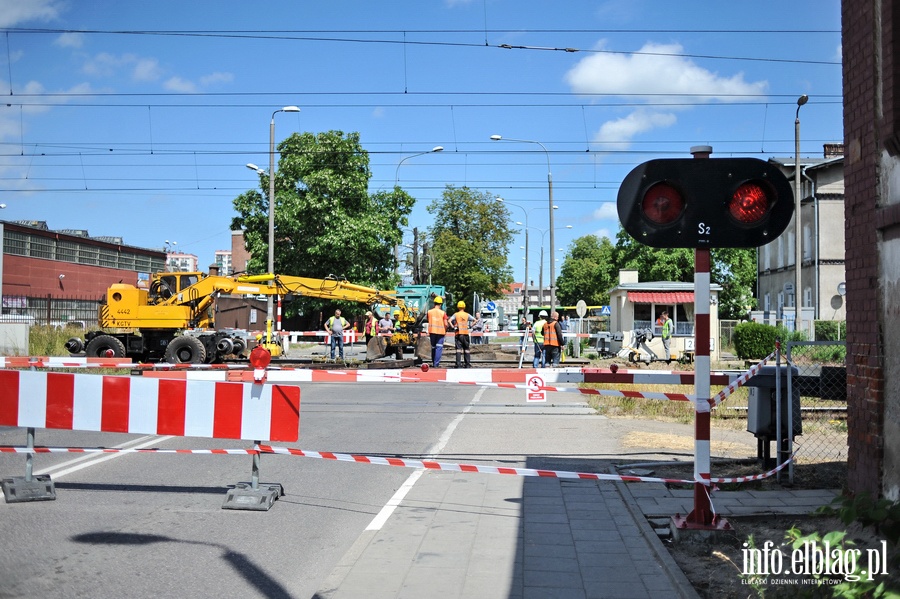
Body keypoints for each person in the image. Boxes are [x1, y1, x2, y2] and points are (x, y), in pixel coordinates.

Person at [450, 300, 475, 368]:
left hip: (458, 334)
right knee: (466, 349)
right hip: (466, 334)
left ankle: (458, 364)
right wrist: (470, 326)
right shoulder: (467, 315)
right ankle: (467, 364)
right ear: (464, 307)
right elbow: (475, 320)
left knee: (458, 349)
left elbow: (449, 320)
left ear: (458, 307)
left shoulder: (456, 314)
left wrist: (453, 327)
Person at [427, 296, 450, 367]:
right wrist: (446, 329)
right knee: (439, 348)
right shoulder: (443, 313)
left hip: (432, 332)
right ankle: (436, 364)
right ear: (440, 304)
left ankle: (433, 362)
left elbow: (428, 320)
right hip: (441, 332)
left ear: (434, 303)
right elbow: (446, 324)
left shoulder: (429, 312)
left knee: (433, 347)